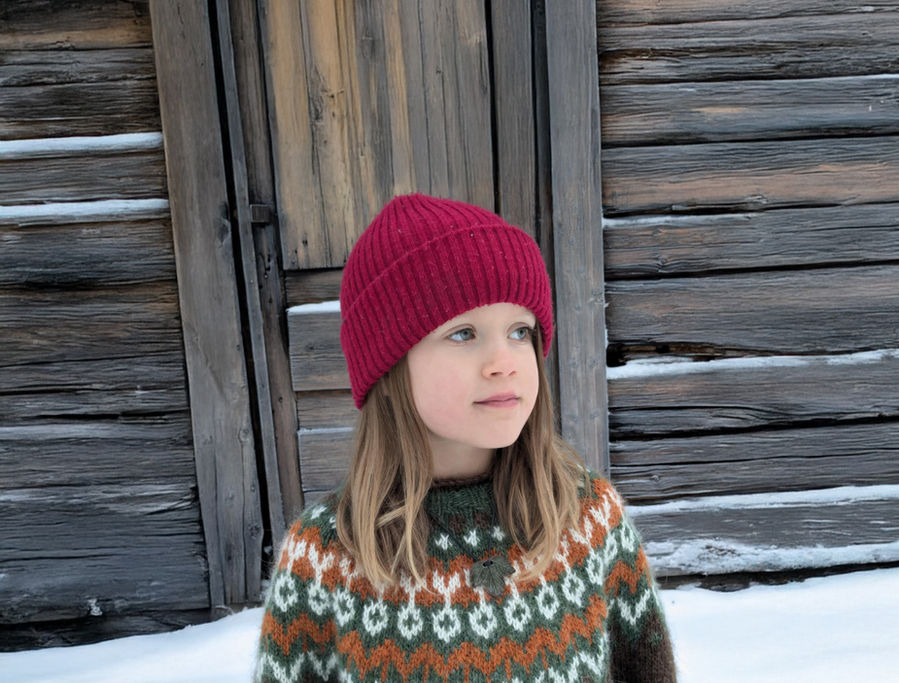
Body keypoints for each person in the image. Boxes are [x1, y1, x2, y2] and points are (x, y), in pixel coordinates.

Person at [255, 193, 677, 682]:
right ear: (388, 367)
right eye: (463, 334)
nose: (504, 363)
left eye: (520, 331)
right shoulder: (326, 555)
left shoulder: (587, 519)